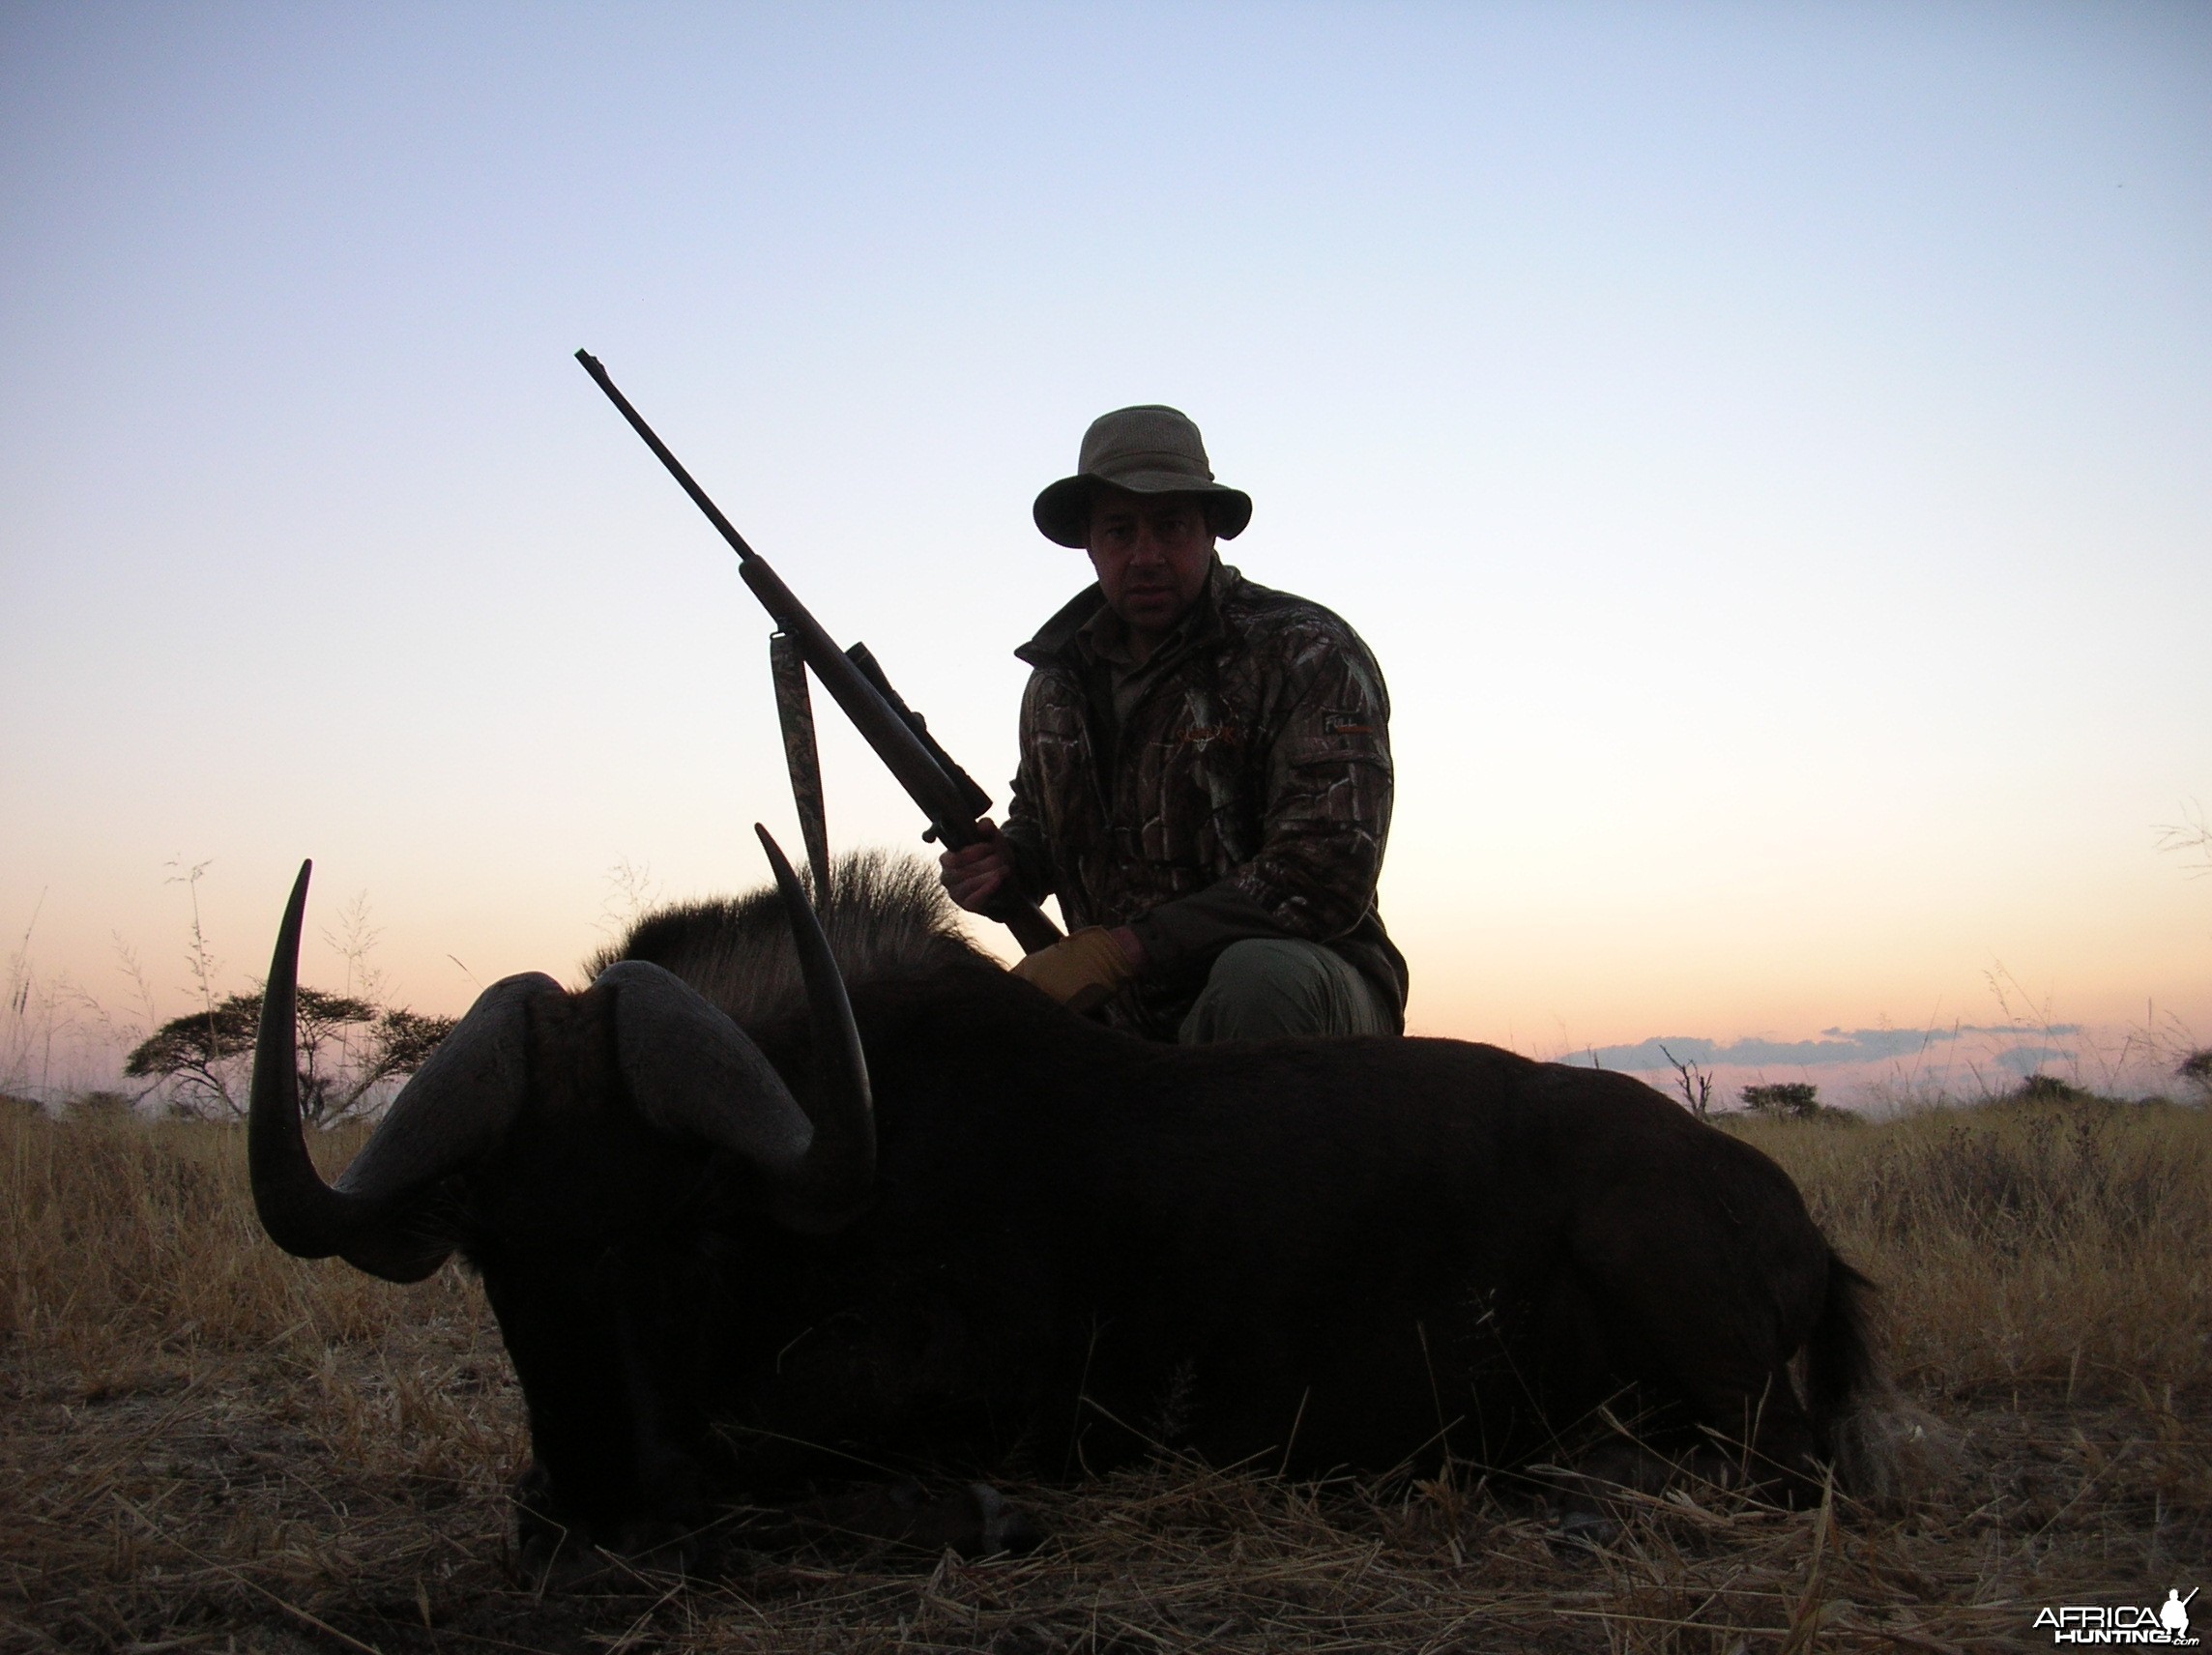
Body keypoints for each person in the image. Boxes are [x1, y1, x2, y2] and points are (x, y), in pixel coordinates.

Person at [940, 404, 1408, 1043]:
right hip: (1126, 1014)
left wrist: (1122, 951)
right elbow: (1042, 836)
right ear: (1089, 541)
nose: (1146, 555)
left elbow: (1325, 871)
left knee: (1257, 979)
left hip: (1307, 987)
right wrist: (1003, 868)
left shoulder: (1305, 650)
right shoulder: (1056, 683)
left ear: (1211, 529)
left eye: (1171, 527)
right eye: (1120, 531)